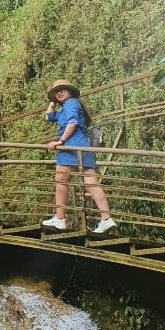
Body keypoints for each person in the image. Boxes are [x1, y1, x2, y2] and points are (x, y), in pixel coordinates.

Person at [41, 79, 116, 233]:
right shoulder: (66, 108)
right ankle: (106, 219)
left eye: (62, 89)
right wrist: (52, 102)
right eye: (56, 92)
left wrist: (60, 141)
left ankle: (60, 219)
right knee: (91, 184)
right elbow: (48, 117)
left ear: (70, 91)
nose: (59, 93)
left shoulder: (71, 104)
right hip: (84, 148)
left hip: (71, 147)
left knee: (61, 181)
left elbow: (72, 123)